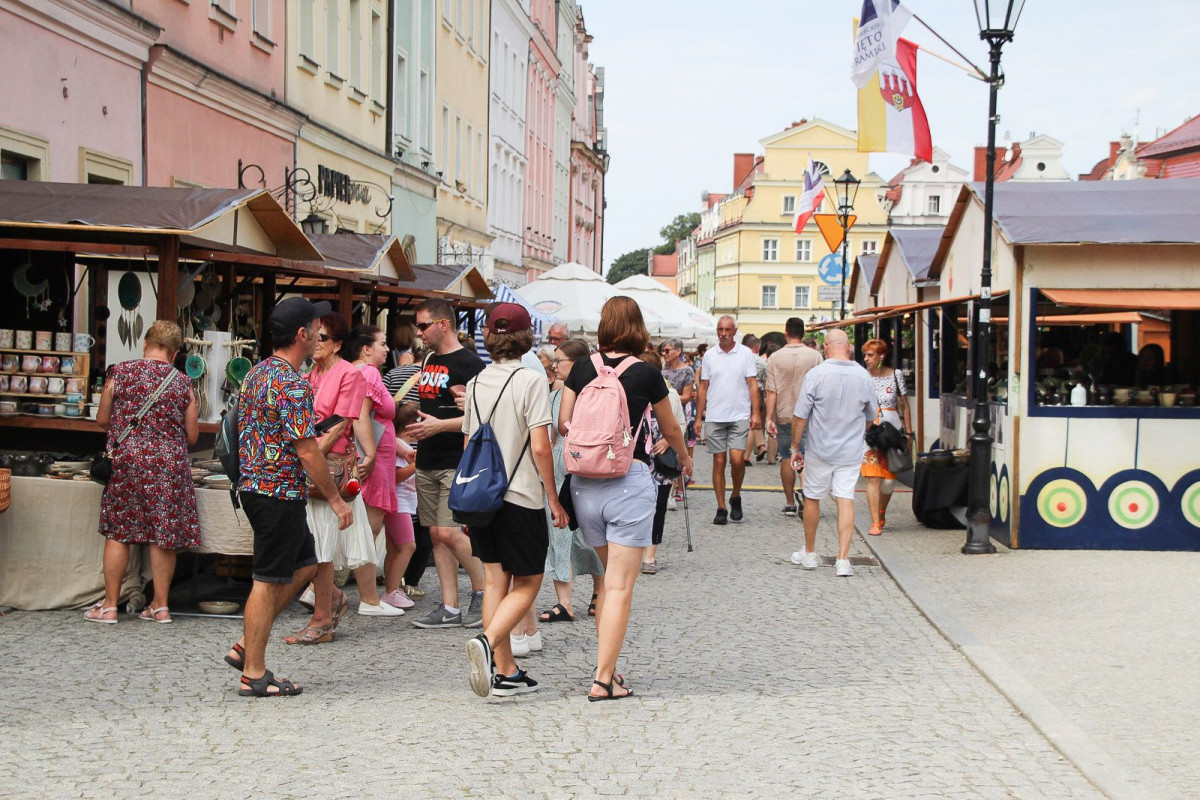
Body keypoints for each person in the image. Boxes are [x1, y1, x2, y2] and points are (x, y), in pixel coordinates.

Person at [559, 296, 692, 700]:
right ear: (636, 327)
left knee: (607, 585)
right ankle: (601, 680)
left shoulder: (582, 368)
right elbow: (670, 428)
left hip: (583, 486)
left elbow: (564, 424)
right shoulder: (648, 374)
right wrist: (683, 458)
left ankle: (610, 671)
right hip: (628, 483)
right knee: (617, 589)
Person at [222, 297, 353, 697]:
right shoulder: (290, 383)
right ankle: (254, 674)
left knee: (307, 565)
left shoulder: (259, 373)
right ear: (302, 334)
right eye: (316, 328)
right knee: (266, 580)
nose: (319, 333)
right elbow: (307, 449)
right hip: (275, 492)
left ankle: (248, 643)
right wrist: (335, 499)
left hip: (265, 489)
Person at [462, 303, 569, 698]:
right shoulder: (530, 381)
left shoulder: (476, 382)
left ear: (489, 337)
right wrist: (553, 499)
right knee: (527, 581)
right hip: (520, 495)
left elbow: (468, 442)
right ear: (526, 340)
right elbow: (541, 447)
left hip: (482, 496)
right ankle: (488, 643)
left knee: (495, 581)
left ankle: (505, 672)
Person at [86, 320, 200, 625]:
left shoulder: (119, 373)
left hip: (127, 463)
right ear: (175, 353)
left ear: (146, 342)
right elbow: (191, 436)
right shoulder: (183, 383)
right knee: (162, 535)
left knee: (118, 532)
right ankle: (160, 606)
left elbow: (101, 420)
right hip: (168, 467)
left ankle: (110, 606)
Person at [287, 312, 381, 644]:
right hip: (313, 464)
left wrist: (308, 459)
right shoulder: (309, 374)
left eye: (322, 337)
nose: (316, 342)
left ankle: (322, 619)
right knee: (313, 544)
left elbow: (341, 423)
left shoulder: (350, 375)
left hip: (329, 467)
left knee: (321, 546)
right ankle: (329, 607)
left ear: (338, 344)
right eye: (314, 336)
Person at [404, 298, 487, 629]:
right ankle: (450, 606)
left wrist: (440, 425)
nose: (419, 332)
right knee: (436, 536)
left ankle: (483, 590)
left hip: (456, 458)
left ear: (443, 324)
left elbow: (479, 417)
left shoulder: (471, 364)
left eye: (423, 325)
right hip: (427, 456)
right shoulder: (427, 360)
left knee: (449, 532)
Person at [789, 330, 877, 578]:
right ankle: (843, 559)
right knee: (845, 498)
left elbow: (800, 416)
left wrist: (795, 447)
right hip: (849, 450)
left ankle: (809, 552)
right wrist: (858, 434)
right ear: (848, 348)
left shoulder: (816, 374)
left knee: (813, 497)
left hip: (820, 449)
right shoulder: (863, 375)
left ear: (826, 347)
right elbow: (871, 416)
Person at [538, 338, 605, 625]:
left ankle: (600, 593)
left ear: (576, 363)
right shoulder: (554, 394)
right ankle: (564, 603)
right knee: (560, 536)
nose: (553, 366)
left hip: (585, 470)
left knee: (591, 536)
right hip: (558, 470)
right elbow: (551, 438)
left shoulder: (592, 394)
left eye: (558, 361)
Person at [347, 324, 408, 614]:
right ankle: (367, 598)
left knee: (364, 528)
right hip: (375, 460)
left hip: (377, 454)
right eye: (382, 344)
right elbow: (361, 415)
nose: (387, 348)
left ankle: (328, 589)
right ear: (366, 349)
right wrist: (370, 454)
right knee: (367, 530)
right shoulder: (369, 372)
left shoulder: (351, 370)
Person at [695, 316, 760, 525]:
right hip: (715, 415)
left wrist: (756, 412)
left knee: (737, 459)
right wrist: (698, 417)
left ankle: (736, 494)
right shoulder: (709, 355)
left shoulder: (744, 354)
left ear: (734, 331)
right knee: (719, 461)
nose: (723, 334)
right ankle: (721, 506)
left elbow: (752, 384)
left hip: (738, 414)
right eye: (720, 330)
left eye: (727, 330)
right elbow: (703, 386)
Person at [764, 318, 823, 516]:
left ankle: (790, 502)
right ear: (803, 333)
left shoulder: (775, 358)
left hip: (784, 413)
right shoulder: (815, 356)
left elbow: (771, 390)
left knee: (786, 456)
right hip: (809, 414)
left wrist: (769, 417)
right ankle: (807, 496)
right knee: (807, 456)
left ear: (786, 333)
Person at [638, 350, 686, 575]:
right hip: (637, 457)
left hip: (661, 461)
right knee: (636, 506)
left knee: (658, 507)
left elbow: (680, 425)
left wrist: (668, 441)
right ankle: (636, 550)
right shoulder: (631, 391)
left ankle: (650, 555)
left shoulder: (670, 394)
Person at [860, 338, 912, 535]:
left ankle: (881, 511)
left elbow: (904, 404)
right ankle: (875, 522)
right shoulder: (863, 376)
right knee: (873, 477)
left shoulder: (895, 375)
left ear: (881, 356)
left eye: (870, 355)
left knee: (889, 481)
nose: (866, 359)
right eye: (865, 355)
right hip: (870, 431)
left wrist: (908, 431)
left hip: (891, 430)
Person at [659, 338, 695, 506]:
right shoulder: (662, 371)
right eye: (663, 351)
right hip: (664, 414)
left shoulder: (687, 371)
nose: (664, 354)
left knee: (680, 450)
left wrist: (668, 396)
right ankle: (669, 489)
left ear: (678, 351)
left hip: (681, 413)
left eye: (667, 350)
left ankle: (679, 487)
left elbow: (687, 396)